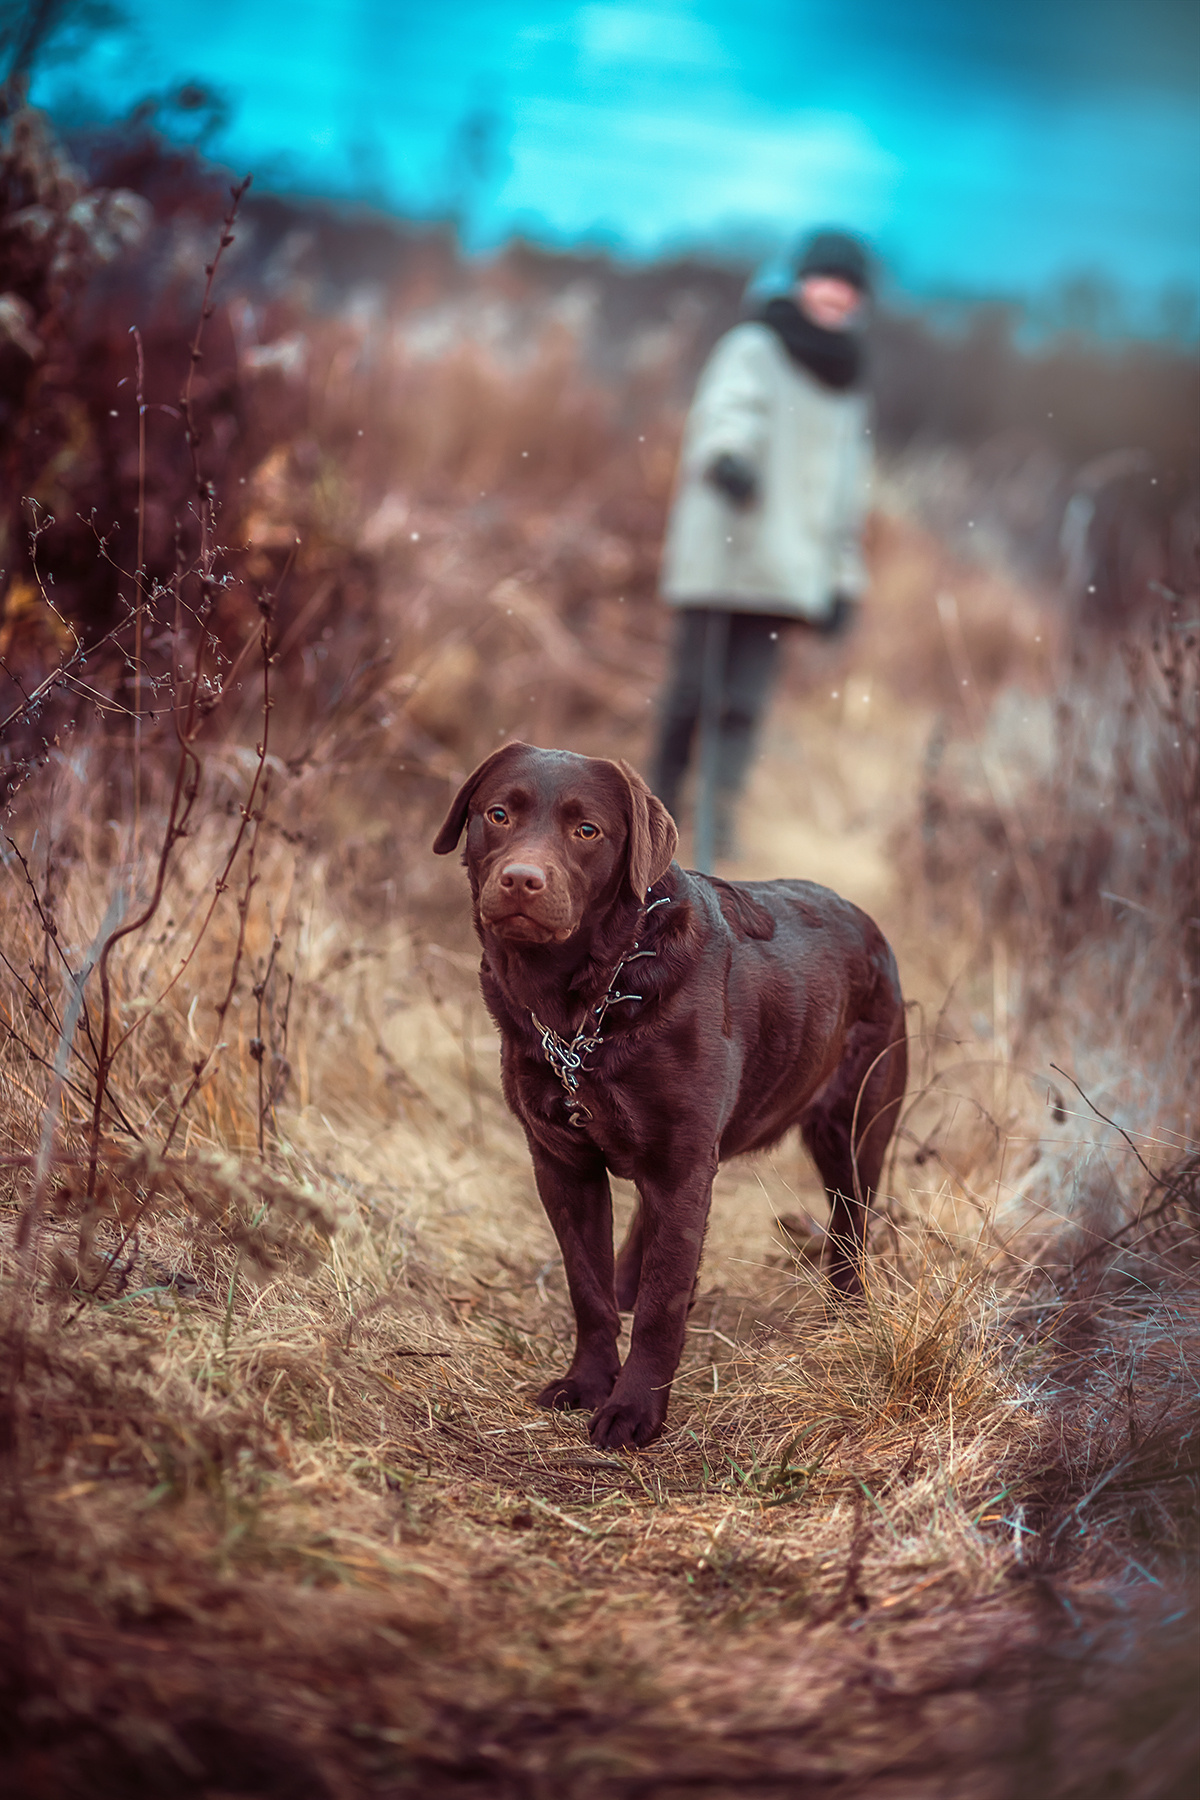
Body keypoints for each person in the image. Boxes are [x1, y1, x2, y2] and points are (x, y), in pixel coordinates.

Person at [651, 228, 873, 860]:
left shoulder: (849, 381)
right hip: (727, 549)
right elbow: (727, 412)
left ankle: (718, 828)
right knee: (691, 695)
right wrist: (729, 459)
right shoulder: (755, 345)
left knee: (743, 705)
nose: (835, 295)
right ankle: (652, 821)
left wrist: (844, 582)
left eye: (848, 288)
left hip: (790, 571)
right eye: (826, 280)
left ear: (858, 300)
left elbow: (846, 494)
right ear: (802, 282)